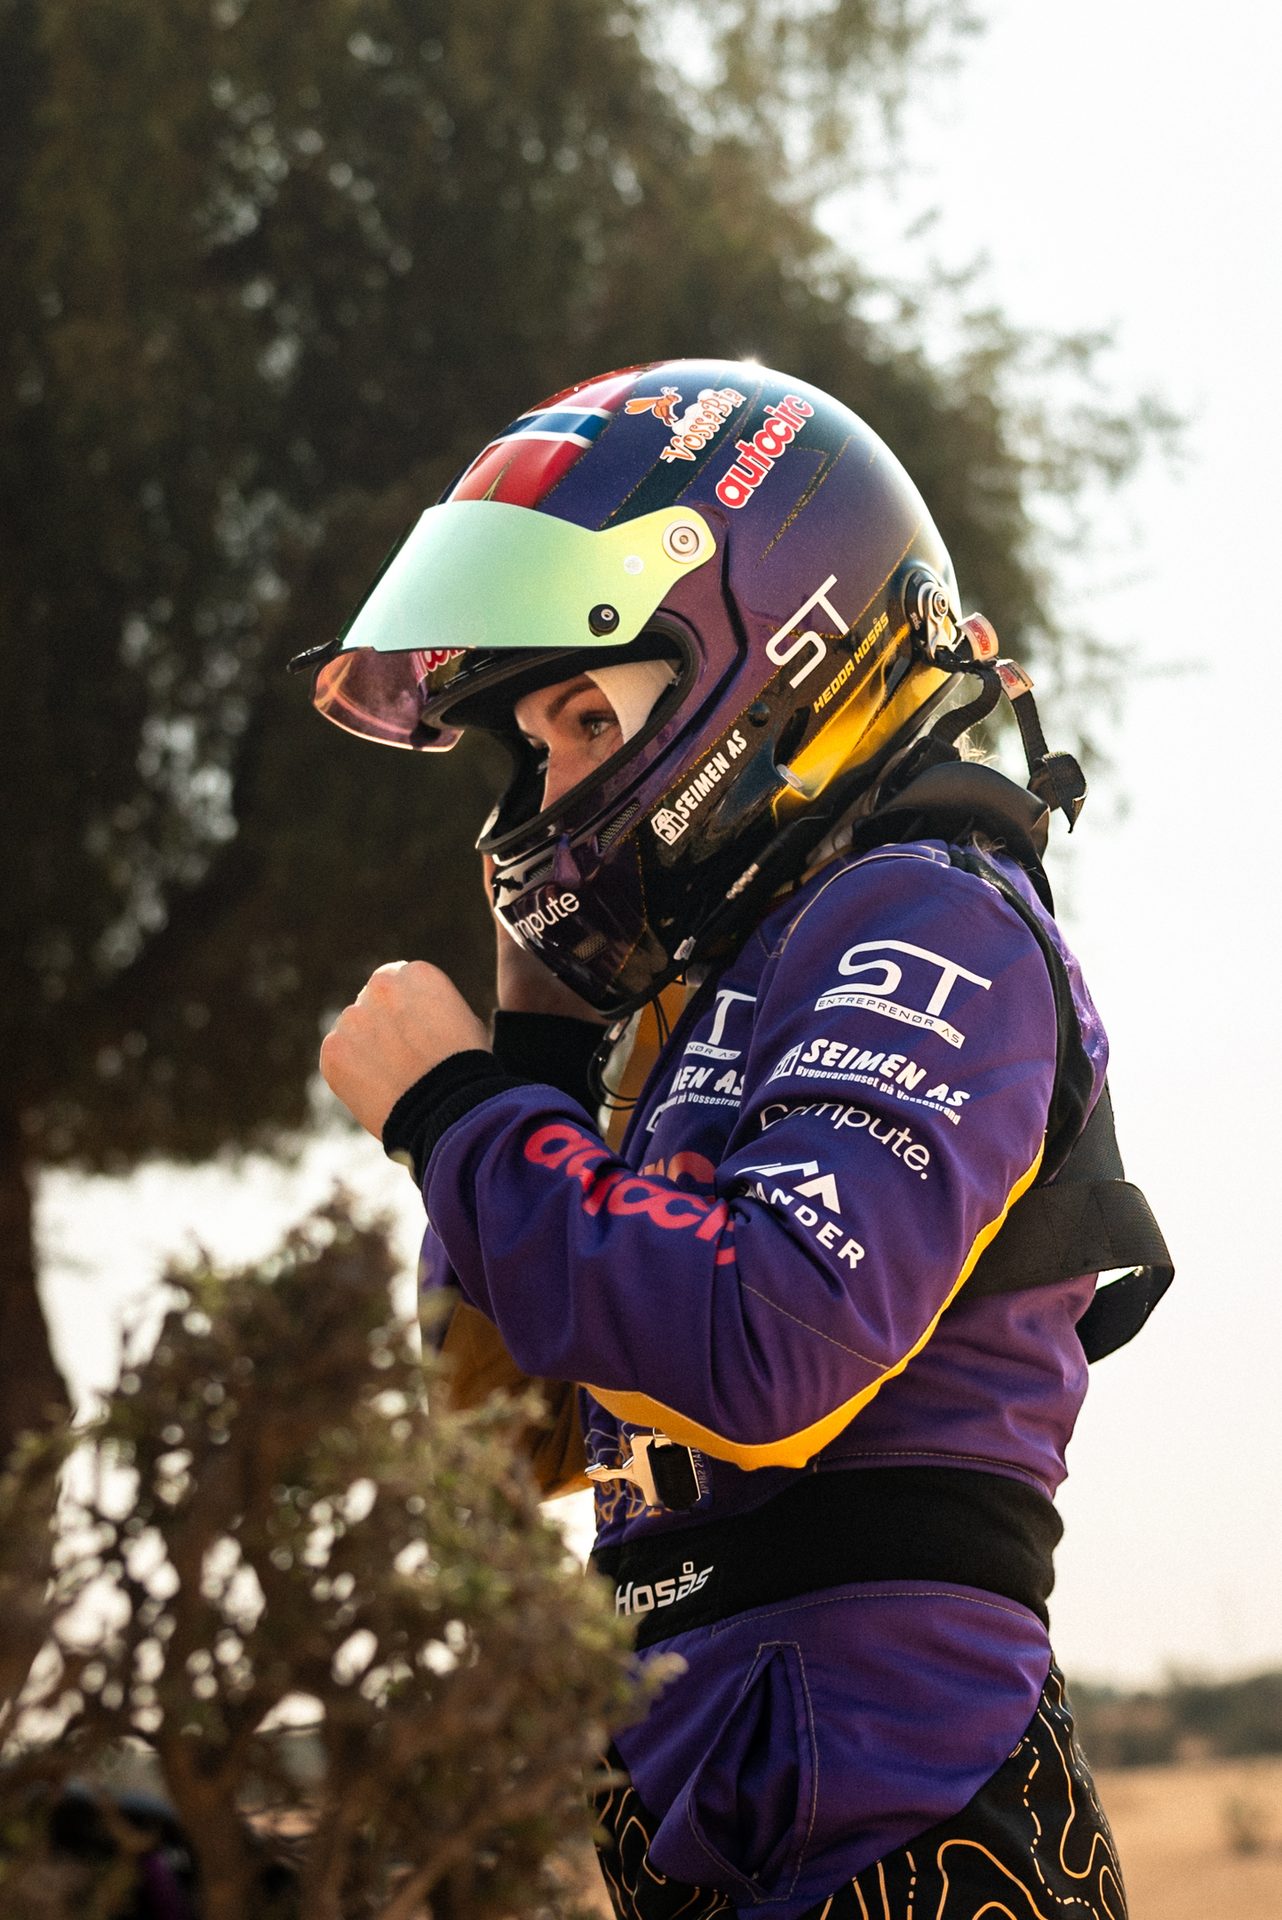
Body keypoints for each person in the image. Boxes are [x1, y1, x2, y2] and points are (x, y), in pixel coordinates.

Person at [301, 358, 1171, 1918]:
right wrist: (542, 1064)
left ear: (775, 651)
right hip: (717, 1825)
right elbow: (514, 1431)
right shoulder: (716, 1000)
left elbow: (770, 1343)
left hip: (900, 1829)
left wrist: (450, 1112)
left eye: (581, 714)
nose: (548, 788)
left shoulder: (921, 917)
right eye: (531, 744)